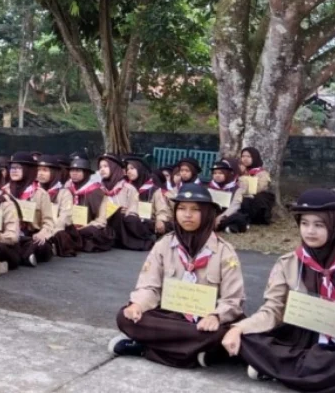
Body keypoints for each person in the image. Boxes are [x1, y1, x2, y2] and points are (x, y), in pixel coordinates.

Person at [109, 184, 245, 368]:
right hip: (170, 315)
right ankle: (193, 353)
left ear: (207, 214)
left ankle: (145, 348)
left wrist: (216, 317)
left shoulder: (224, 252)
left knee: (223, 332)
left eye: (195, 210)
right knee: (124, 317)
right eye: (181, 208)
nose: (187, 215)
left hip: (204, 321)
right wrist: (138, 304)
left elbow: (233, 299)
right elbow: (150, 286)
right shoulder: (164, 245)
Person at [223, 189, 335, 389]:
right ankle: (315, 375)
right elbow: (273, 310)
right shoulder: (289, 262)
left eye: (319, 224)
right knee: (247, 337)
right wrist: (239, 328)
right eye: (304, 224)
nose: (310, 231)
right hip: (298, 338)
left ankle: (284, 370)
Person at [9, 151, 56, 266]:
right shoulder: (4, 192)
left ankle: (19, 257)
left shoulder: (40, 194)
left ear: (28, 169)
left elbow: (48, 222)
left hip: (30, 235)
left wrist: (42, 233)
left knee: (40, 245)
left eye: (18, 167)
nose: (14, 171)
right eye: (12, 167)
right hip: (11, 234)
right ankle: (25, 257)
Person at [99, 154, 152, 251]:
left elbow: (134, 207)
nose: (102, 169)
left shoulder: (129, 188)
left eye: (106, 166)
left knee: (130, 219)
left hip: (126, 222)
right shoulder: (97, 188)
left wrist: (128, 212)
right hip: (103, 221)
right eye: (100, 167)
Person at [37, 155, 81, 258]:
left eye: (45, 170)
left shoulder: (64, 193)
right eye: (38, 170)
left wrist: (47, 233)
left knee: (61, 236)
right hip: (39, 228)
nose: (40, 173)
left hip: (56, 229)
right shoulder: (33, 192)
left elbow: (63, 219)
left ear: (54, 172)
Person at [70, 157, 115, 253]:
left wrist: (83, 227)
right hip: (71, 225)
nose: (74, 173)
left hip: (88, 226)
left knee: (93, 232)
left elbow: (101, 220)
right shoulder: (67, 189)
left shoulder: (97, 191)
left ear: (86, 173)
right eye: (72, 170)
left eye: (78, 171)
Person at [208, 158, 250, 234]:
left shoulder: (236, 187)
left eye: (221, 173)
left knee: (240, 217)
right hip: (212, 214)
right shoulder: (210, 186)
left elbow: (235, 205)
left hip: (227, 214)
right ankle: (223, 227)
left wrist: (221, 217)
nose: (217, 176)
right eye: (215, 173)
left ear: (227, 173)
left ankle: (223, 226)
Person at [238, 147, 275, 226]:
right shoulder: (239, 170)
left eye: (248, 157)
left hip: (254, 196)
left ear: (254, 158)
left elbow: (260, 187)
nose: (245, 159)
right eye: (243, 156)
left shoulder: (262, 173)